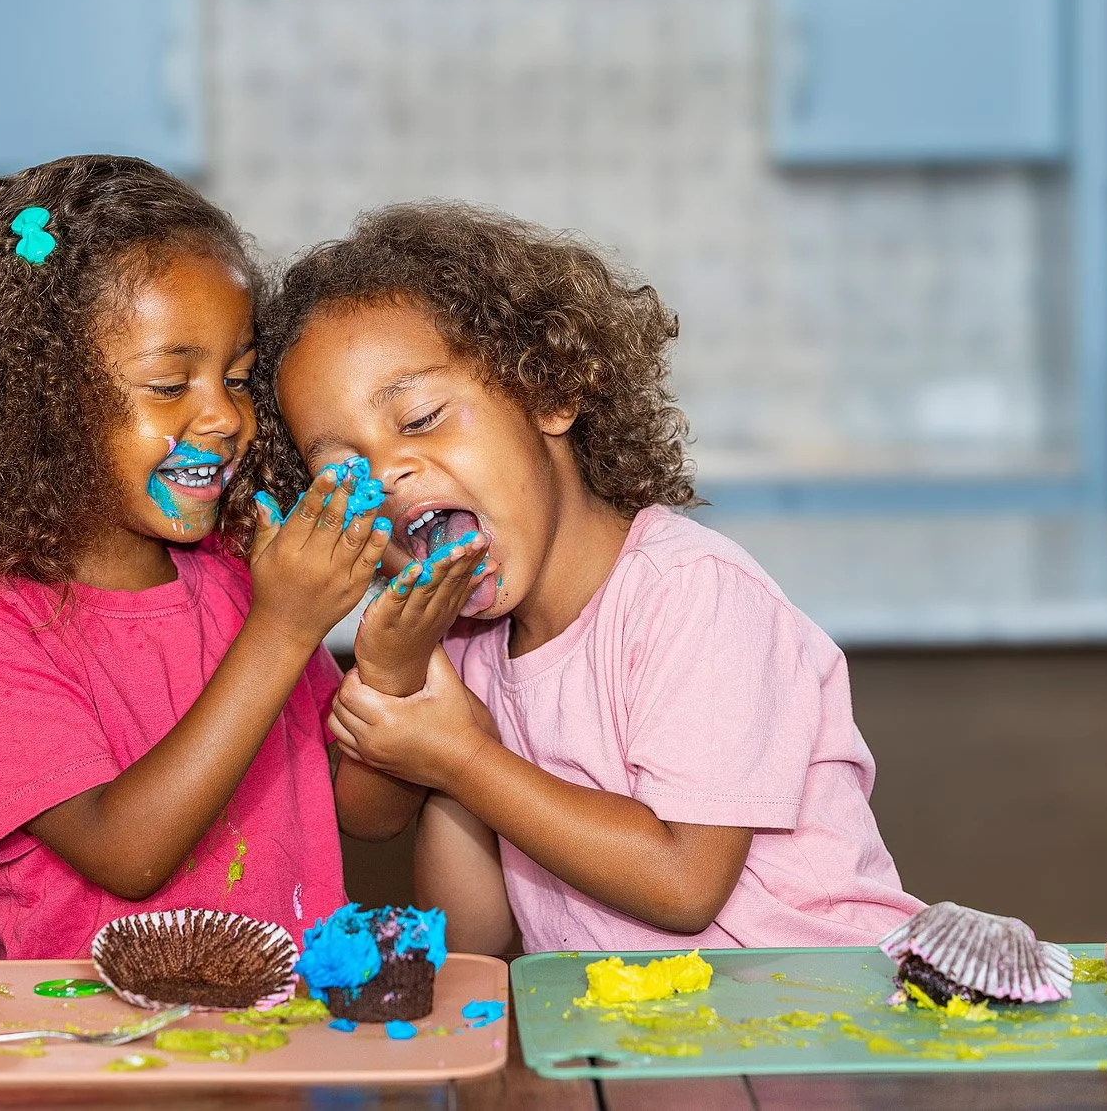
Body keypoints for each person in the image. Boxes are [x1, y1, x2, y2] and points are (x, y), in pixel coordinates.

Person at [241, 202, 924, 954]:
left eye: (422, 417)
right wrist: (408, 674)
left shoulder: (691, 592)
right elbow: (464, 928)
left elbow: (682, 885)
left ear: (551, 392)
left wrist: (464, 758)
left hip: (825, 1018)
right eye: (341, 470)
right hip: (641, 1043)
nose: (387, 472)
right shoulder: (471, 645)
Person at [0, 156, 388, 958]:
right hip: (90, 1054)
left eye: (238, 377)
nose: (224, 416)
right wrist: (286, 626)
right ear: (38, 402)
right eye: (169, 385)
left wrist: (395, 664)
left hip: (278, 1048)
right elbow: (126, 853)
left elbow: (363, 812)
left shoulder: (237, 578)